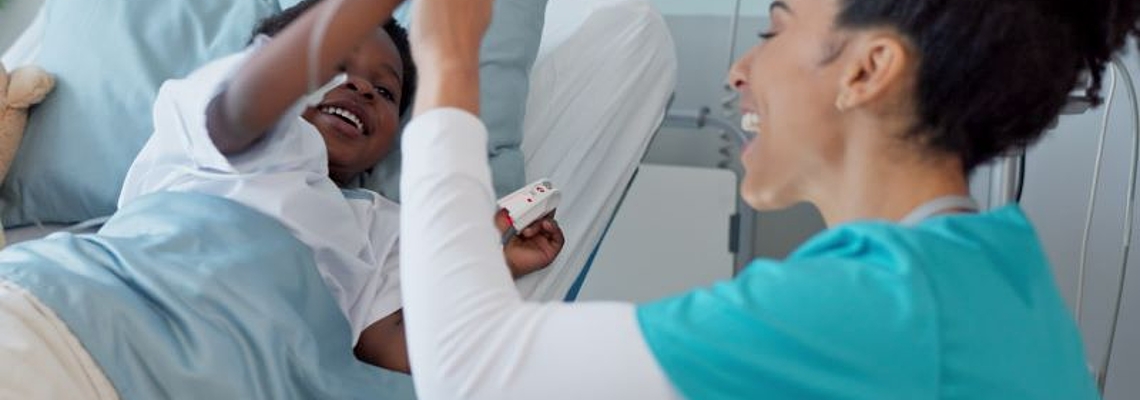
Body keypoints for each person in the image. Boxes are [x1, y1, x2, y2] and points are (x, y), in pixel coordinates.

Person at [398, 0, 1140, 398]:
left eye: (774, 28)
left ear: (867, 70)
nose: (738, 71)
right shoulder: (1006, 280)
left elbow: (467, 371)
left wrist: (451, 61)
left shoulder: (876, 307)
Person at [117, 0, 564, 374]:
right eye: (337, 66)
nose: (362, 87)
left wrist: (499, 265)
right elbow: (244, 105)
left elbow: (394, 350)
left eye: (386, 92)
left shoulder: (380, 227)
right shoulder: (225, 131)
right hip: (125, 317)